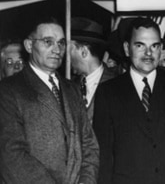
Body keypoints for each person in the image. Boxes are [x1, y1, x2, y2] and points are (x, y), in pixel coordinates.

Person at [93, 17, 165, 184]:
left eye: (155, 46)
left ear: (161, 49)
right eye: (140, 45)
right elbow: (104, 157)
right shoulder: (108, 92)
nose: (148, 53)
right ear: (127, 48)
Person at [0, 16, 99, 184]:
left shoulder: (72, 89)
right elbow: (11, 155)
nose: (57, 49)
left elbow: (89, 144)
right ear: (29, 45)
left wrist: (86, 181)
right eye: (48, 42)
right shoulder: (9, 90)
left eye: (61, 43)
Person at [70, 17, 117, 124]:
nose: (65, 56)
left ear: (84, 51)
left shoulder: (117, 85)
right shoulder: (70, 85)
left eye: (70, 49)